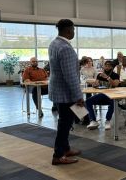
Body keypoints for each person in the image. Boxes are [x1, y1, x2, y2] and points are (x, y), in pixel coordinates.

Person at [48, 19, 83, 165]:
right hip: (66, 93)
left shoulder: (54, 44)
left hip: (57, 90)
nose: (74, 32)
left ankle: (66, 148)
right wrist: (78, 96)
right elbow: (70, 76)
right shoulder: (66, 48)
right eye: (73, 30)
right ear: (68, 30)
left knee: (65, 122)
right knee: (65, 124)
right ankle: (58, 155)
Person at [86, 61, 120, 130]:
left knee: (113, 101)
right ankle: (93, 120)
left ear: (112, 67)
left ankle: (107, 121)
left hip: (112, 95)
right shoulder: (99, 75)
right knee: (87, 101)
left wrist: (107, 77)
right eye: (106, 65)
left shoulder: (115, 75)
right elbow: (96, 84)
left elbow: (115, 84)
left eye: (109, 66)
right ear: (103, 66)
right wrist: (94, 85)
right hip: (102, 95)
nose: (107, 67)